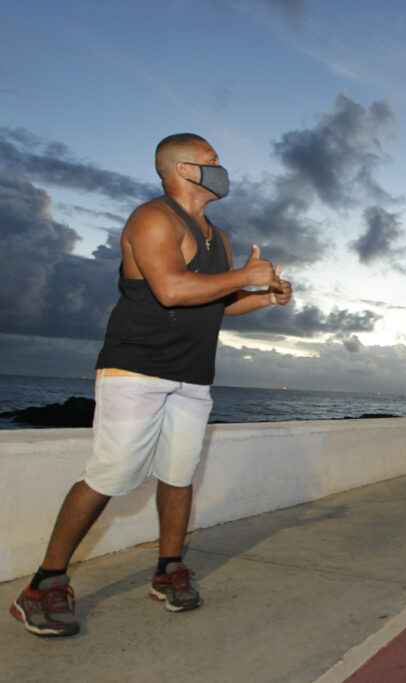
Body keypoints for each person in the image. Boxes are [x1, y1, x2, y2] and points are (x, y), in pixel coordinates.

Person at [10, 133, 292, 638]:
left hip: (192, 377)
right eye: (212, 162)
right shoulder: (153, 218)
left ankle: (168, 569)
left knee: (178, 477)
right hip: (135, 370)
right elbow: (171, 288)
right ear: (183, 170)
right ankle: (43, 584)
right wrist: (246, 275)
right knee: (111, 476)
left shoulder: (218, 236)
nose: (221, 169)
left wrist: (264, 296)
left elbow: (216, 303)